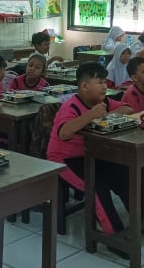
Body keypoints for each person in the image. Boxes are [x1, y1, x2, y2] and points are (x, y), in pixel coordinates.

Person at [47, 62, 132, 235]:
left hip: (90, 156)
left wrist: (106, 116)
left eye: (105, 82)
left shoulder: (102, 102)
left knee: (122, 172)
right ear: (84, 86)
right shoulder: (71, 106)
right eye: (100, 82)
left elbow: (128, 108)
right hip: (63, 160)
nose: (105, 86)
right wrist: (91, 115)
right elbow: (64, 132)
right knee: (96, 185)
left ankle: (143, 217)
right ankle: (113, 235)